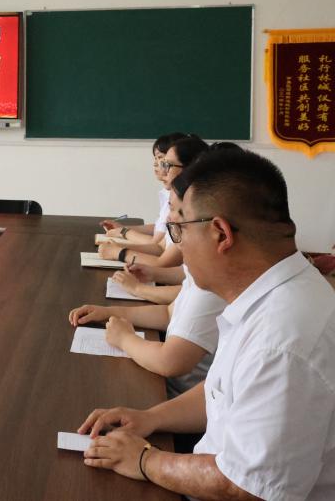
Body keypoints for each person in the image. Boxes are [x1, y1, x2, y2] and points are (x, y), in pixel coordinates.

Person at [78, 148, 335, 500]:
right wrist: (150, 418)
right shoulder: (271, 294)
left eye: (178, 229)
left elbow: (246, 486)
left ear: (220, 234)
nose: (178, 248)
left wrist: (145, 460)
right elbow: (224, 393)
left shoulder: (282, 341)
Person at [69, 168, 226, 396]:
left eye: (178, 214)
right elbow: (168, 313)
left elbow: (168, 362)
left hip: (174, 393)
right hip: (172, 388)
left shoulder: (214, 281)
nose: (169, 219)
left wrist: (125, 339)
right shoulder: (204, 268)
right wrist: (107, 312)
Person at [99, 135, 209, 281]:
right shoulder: (178, 200)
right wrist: (118, 246)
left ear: (189, 168)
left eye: (166, 164)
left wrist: (120, 251)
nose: (161, 170)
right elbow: (160, 247)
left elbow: (163, 262)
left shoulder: (195, 211)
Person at [100, 132, 189, 253]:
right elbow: (160, 228)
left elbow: (157, 244)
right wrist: (124, 228)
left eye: (161, 159)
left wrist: (124, 233)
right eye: (156, 159)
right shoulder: (168, 193)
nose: (156, 164)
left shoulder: (181, 198)